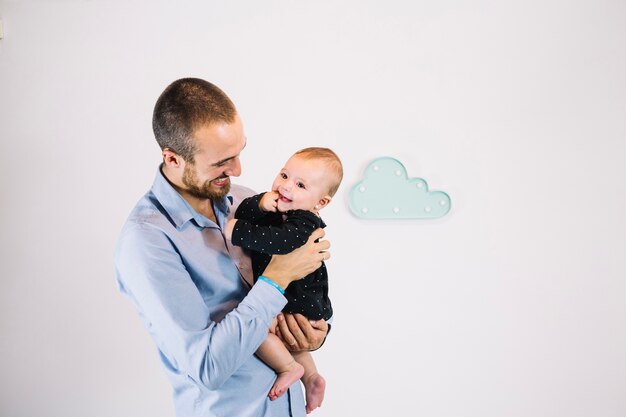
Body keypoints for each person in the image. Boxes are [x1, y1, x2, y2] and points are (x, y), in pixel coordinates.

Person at [114, 78, 331, 417]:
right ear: (173, 159)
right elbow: (207, 368)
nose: (238, 170)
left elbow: (303, 278)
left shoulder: (246, 201)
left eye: (239, 153)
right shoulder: (146, 242)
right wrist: (276, 279)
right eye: (221, 162)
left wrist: (312, 333)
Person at [224, 147, 343, 413]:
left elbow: (279, 241)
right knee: (290, 339)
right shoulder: (281, 211)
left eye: (300, 185)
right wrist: (261, 203)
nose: (286, 187)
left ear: (320, 202)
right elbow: (244, 210)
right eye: (284, 175)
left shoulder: (304, 222)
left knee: (257, 329)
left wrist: (238, 232)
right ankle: (311, 378)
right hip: (298, 302)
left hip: (303, 301)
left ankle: (289, 368)